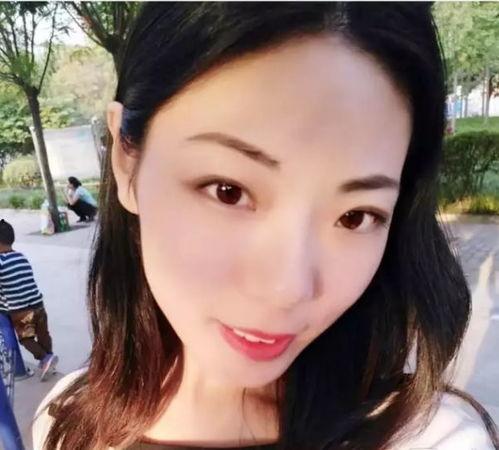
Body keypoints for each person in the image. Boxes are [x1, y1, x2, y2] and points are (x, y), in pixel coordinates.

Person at [33, 3, 498, 450]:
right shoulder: (65, 423)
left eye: (355, 217)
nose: (288, 289)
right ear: (126, 160)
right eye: (228, 191)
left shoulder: (428, 438)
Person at [0, 219, 58, 381]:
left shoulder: (1, 262)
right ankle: (49, 358)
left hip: (21, 310)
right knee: (43, 333)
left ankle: (45, 359)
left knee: (26, 339)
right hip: (38, 304)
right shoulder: (21, 256)